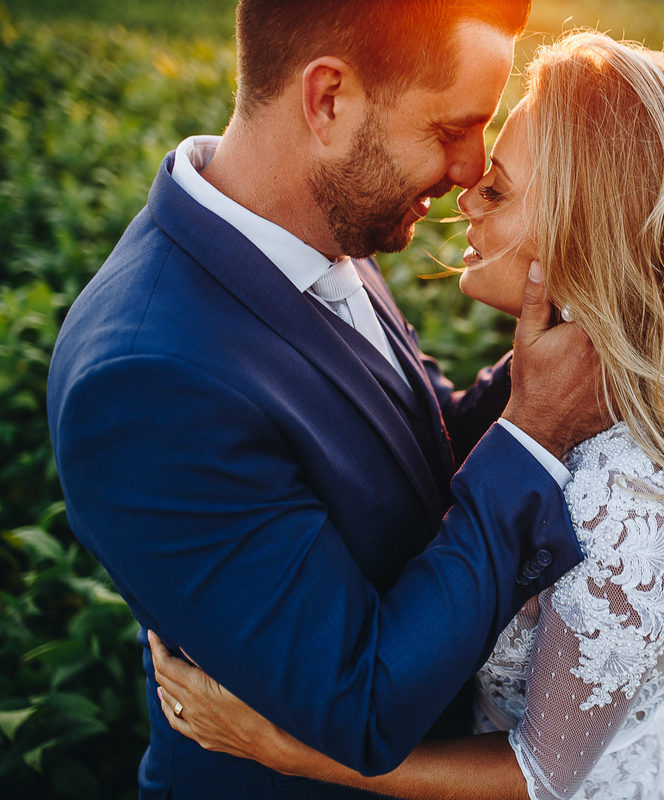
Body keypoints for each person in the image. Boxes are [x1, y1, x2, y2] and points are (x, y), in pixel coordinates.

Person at [149, 31, 664, 800]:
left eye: (497, 191)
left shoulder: (632, 503)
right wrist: (529, 403)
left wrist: (287, 751)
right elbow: (435, 431)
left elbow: (541, 779)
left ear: (585, 231)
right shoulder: (579, 394)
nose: (465, 197)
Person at [45, 3, 610, 798]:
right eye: (452, 129)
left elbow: (411, 446)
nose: (471, 168)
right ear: (329, 100)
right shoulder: (146, 382)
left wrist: (572, 352)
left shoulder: (322, 223)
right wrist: (534, 434)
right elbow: (363, 702)